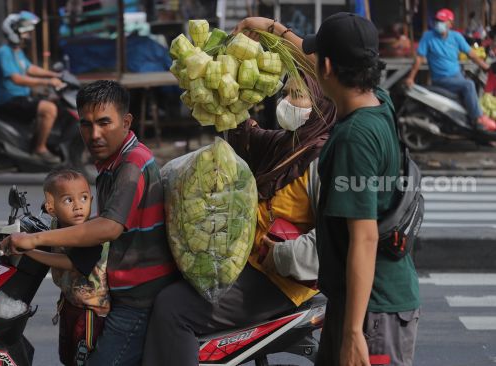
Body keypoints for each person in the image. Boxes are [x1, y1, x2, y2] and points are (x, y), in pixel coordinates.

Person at [141, 18, 337, 365]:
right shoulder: (288, 145)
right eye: (286, 93)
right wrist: (220, 89)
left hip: (279, 280)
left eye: (297, 95)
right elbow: (243, 134)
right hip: (245, 263)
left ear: (321, 104)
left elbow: (331, 241)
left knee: (174, 309)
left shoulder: (323, 157)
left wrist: (279, 255)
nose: (287, 103)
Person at [1, 80, 177, 366]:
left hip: (137, 298)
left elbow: (109, 227)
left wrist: (35, 240)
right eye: (86, 124)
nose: (94, 134)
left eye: (104, 123)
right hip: (120, 290)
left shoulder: (132, 164)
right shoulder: (111, 162)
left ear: (126, 121)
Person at [301, 12, 420, 366]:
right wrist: (273, 31)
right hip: (364, 301)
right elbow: (311, 55)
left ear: (326, 67)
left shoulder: (355, 138)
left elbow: (365, 237)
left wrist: (354, 332)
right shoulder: (379, 101)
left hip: (372, 313)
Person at [23, 168, 109, 366]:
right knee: (67, 355)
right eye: (69, 200)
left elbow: (71, 263)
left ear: (92, 200)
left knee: (83, 358)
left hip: (92, 311)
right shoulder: (56, 225)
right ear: (51, 207)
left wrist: (29, 250)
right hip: (70, 304)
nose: (78, 206)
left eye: (84, 198)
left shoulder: (91, 234)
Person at [404, 8, 496, 132]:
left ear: (450, 24)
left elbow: (471, 54)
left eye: (442, 21)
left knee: (469, 88)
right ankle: (477, 119)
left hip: (457, 76)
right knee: (469, 85)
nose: (439, 24)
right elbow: (419, 59)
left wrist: (484, 66)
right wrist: (411, 77)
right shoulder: (428, 36)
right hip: (441, 79)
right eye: (437, 21)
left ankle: (467, 122)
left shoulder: (456, 36)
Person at [0, 11, 66, 163]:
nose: (27, 36)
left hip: (21, 98)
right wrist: (47, 82)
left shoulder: (17, 51)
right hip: (9, 100)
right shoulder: (4, 52)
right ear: (14, 32)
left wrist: (53, 75)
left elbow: (30, 68)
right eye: (25, 32)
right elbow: (16, 79)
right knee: (49, 109)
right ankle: (40, 148)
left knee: (51, 101)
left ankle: (36, 140)